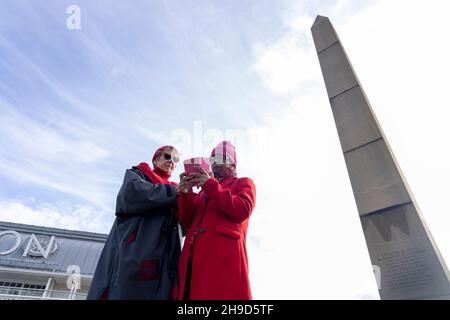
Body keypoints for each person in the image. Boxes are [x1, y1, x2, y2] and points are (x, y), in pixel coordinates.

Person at [87, 146, 181, 300]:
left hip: (162, 262)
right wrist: (173, 192)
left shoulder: (176, 189)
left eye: (175, 159)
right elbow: (132, 193)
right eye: (167, 156)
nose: (171, 161)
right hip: (134, 254)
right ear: (155, 159)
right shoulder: (138, 175)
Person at [176, 141, 256, 300]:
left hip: (223, 261)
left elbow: (242, 210)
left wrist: (210, 184)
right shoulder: (203, 192)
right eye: (212, 160)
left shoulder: (244, 182)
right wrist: (185, 194)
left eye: (221, 158)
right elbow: (186, 223)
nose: (215, 163)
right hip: (192, 262)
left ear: (232, 162)